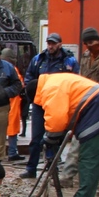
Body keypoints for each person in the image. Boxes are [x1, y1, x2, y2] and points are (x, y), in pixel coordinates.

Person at [34, 72, 99, 197]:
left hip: (96, 110)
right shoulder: (52, 81)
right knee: (86, 159)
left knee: (89, 160)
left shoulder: (51, 87)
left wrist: (50, 137)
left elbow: (56, 119)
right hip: (96, 108)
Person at [60, 27, 99, 184]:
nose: (89, 46)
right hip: (87, 104)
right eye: (86, 43)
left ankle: (96, 179)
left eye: (91, 42)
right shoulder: (87, 55)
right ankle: (67, 177)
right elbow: (82, 80)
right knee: (77, 140)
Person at [20, 33, 77, 179]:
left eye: (53, 43)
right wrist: (31, 93)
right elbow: (29, 77)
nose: (50, 46)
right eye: (49, 43)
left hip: (59, 104)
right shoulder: (38, 59)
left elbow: (75, 80)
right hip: (40, 103)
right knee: (36, 138)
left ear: (60, 44)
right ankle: (31, 168)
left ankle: (53, 168)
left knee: (56, 137)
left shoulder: (69, 61)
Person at [1, 47, 24, 161]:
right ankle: (12, 152)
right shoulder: (13, 70)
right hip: (12, 103)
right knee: (12, 129)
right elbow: (20, 85)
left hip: (1, 104)